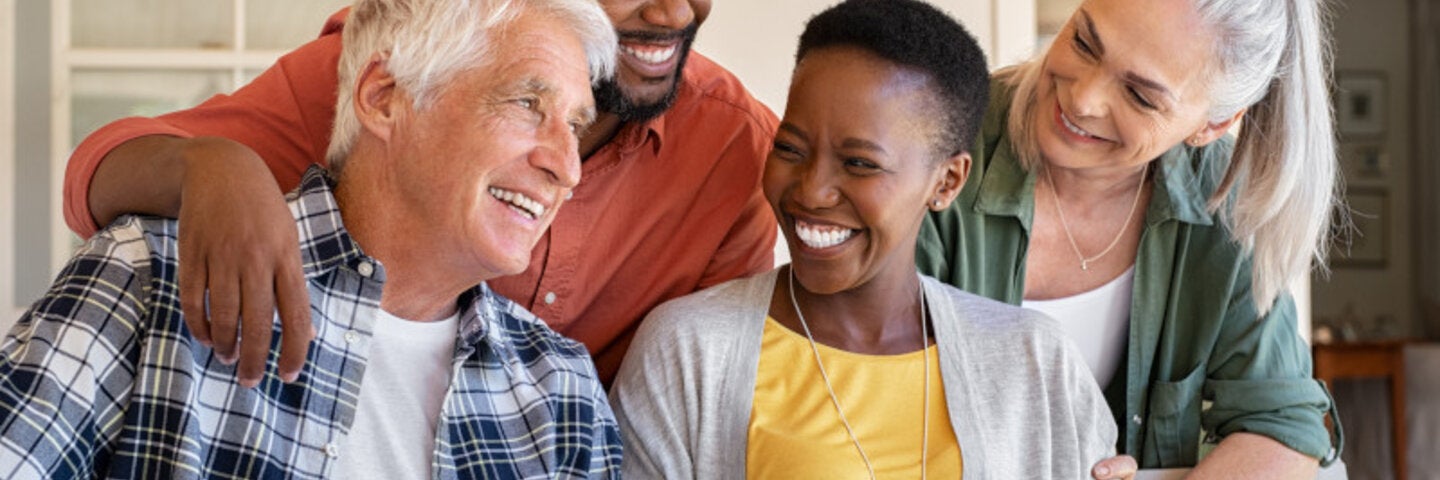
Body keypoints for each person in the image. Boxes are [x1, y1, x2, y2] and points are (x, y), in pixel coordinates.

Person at [0, 0, 622, 477]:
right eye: (525, 103)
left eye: (574, 125)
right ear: (384, 99)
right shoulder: (151, 274)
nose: (567, 166)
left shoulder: (560, 390)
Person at [62, 0, 776, 387]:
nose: (675, 11)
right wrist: (212, 166)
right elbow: (95, 176)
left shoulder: (737, 148)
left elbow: (694, 391)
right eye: (525, 103)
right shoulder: (396, 66)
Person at [609, 1, 1116, 478]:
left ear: (947, 182)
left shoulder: (1034, 362)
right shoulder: (691, 350)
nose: (811, 190)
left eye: (859, 164)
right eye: (790, 148)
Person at [914, 0, 1342, 476]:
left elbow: (1280, 424)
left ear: (1213, 124)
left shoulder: (1225, 206)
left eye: (1140, 96)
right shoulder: (934, 140)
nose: (1083, 99)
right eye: (1083, 42)